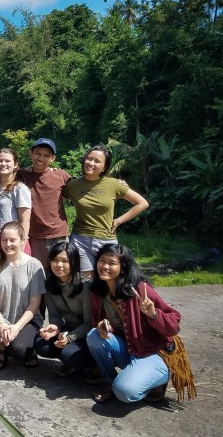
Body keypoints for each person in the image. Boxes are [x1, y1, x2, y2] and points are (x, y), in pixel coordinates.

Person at [86, 244, 180, 404]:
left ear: (123, 268)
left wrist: (153, 314)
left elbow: (174, 324)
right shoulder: (98, 291)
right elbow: (104, 324)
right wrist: (105, 326)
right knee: (93, 336)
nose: (105, 266)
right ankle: (110, 381)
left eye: (112, 263)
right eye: (102, 261)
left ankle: (159, 379)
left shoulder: (140, 288)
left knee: (124, 392)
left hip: (152, 352)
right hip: (130, 348)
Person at [63, 144, 149, 275]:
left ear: (105, 167)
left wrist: (118, 221)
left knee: (109, 279)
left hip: (106, 239)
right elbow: (53, 201)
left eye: (97, 161)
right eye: (89, 158)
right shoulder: (72, 185)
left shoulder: (114, 184)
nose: (91, 163)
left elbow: (142, 203)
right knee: (87, 281)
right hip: (80, 239)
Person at [0, 221, 45, 369]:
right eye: (4, 239)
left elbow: (35, 303)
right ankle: (1, 347)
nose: (7, 244)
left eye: (12, 240)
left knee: (19, 350)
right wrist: (2, 323)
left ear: (22, 240)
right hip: (1, 316)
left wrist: (16, 328)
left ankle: (26, 347)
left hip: (27, 320)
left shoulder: (34, 265)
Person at [34, 241, 95, 376]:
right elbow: (55, 316)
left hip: (87, 334)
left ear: (73, 262)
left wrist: (70, 338)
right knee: (40, 345)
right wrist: (54, 328)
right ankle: (72, 361)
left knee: (68, 354)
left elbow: (89, 323)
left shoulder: (86, 286)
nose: (59, 265)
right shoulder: (50, 285)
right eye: (55, 260)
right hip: (67, 331)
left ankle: (93, 366)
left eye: (64, 261)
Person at [17, 138, 72, 270]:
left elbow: (80, 190)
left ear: (52, 158)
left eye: (46, 155)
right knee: (37, 274)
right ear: (30, 153)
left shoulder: (61, 175)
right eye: (38, 153)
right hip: (34, 236)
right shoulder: (21, 175)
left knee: (62, 272)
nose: (41, 158)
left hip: (58, 235)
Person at [0, 148, 32, 257]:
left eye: (7, 161)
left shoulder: (20, 188)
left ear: (15, 164)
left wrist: (21, 246)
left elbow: (25, 221)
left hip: (14, 241)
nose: (3, 164)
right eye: (0, 161)